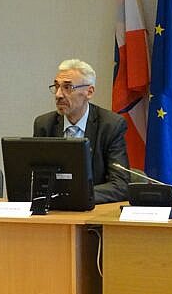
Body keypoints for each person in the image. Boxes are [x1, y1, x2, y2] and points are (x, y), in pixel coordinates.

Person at [33, 59, 129, 203]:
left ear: (89, 92)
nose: (58, 94)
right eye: (57, 86)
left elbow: (120, 185)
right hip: (54, 209)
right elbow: (35, 178)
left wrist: (76, 195)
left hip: (94, 210)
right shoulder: (44, 124)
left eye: (67, 87)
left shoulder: (110, 125)